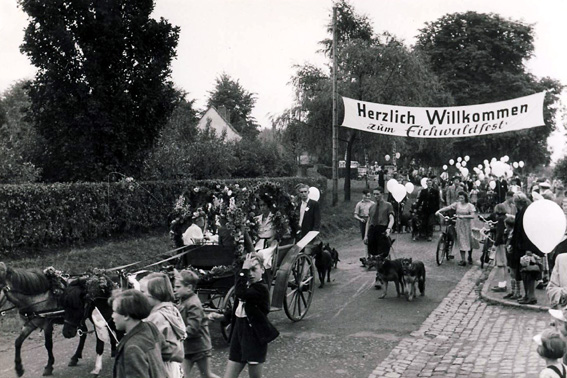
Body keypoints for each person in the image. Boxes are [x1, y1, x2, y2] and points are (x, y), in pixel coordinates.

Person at [224, 253, 278, 378]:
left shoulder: (261, 289)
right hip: (239, 335)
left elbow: (240, 293)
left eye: (254, 269)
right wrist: (223, 317)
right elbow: (239, 310)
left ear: (263, 269)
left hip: (254, 337)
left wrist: (243, 271)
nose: (250, 274)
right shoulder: (246, 286)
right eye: (248, 270)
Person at [111, 289, 168, 378]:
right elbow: (167, 352)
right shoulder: (150, 327)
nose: (112, 316)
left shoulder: (132, 348)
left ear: (126, 315)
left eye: (114, 312)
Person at [174, 270, 220, 378]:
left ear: (189, 288)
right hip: (188, 347)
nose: (174, 290)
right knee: (182, 375)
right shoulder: (183, 300)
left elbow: (193, 328)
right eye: (174, 287)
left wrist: (178, 336)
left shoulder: (193, 304)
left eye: (178, 287)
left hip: (200, 347)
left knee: (206, 375)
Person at [140, 273, 186, 378]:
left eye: (142, 292)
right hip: (171, 366)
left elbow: (151, 346)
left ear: (155, 293)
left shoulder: (157, 317)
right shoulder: (171, 309)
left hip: (160, 368)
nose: (140, 295)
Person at [510, 191, 542, 305]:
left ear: (517, 202)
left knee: (529, 271)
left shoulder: (526, 213)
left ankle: (531, 295)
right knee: (523, 272)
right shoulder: (520, 212)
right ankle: (527, 295)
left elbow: (528, 232)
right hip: (520, 247)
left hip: (527, 247)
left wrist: (528, 250)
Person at [436, 191, 476, 266]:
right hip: (459, 225)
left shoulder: (470, 206)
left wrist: (464, 216)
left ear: (465, 198)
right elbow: (448, 207)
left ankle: (470, 257)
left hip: (468, 225)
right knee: (461, 241)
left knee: (469, 241)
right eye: (459, 197)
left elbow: (473, 215)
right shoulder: (457, 204)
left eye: (462, 198)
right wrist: (439, 211)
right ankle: (463, 260)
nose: (460, 199)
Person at [364, 187, 394, 258]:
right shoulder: (372, 207)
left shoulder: (388, 205)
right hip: (372, 230)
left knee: (383, 252)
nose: (375, 196)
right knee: (373, 252)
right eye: (374, 194)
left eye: (377, 194)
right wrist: (366, 235)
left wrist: (389, 228)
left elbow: (391, 218)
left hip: (382, 229)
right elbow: (368, 221)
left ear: (382, 194)